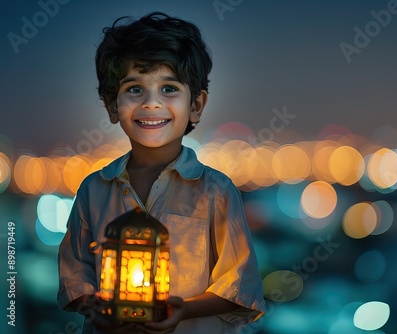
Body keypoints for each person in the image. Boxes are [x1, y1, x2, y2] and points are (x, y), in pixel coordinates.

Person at [57, 12, 265, 334]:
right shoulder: (93, 190)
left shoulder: (216, 192)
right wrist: (95, 307)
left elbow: (238, 286)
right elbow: (75, 276)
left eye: (169, 88)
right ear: (113, 106)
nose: (152, 103)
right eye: (135, 89)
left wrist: (180, 311)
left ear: (196, 105)